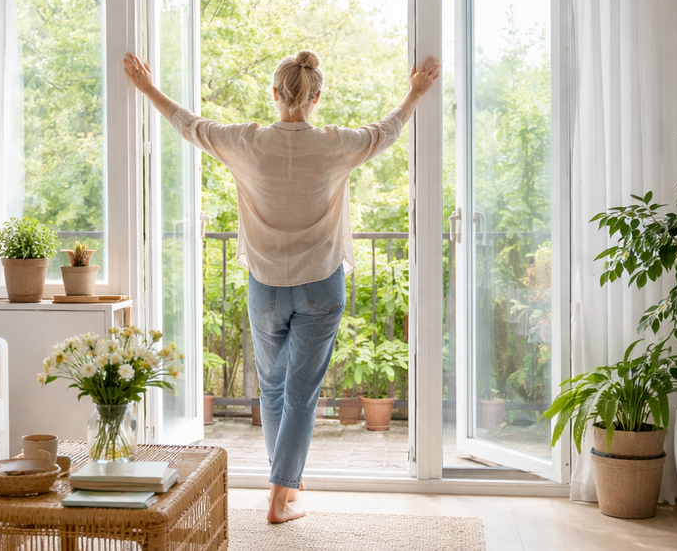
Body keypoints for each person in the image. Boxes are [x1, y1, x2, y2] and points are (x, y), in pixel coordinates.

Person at [123, 49, 440, 524]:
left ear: (274, 94)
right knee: (301, 395)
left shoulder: (245, 142)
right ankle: (280, 493)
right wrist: (415, 93)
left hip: (265, 287)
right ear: (317, 97)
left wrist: (147, 88)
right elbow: (387, 130)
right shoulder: (336, 143)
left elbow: (187, 123)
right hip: (320, 286)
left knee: (271, 390)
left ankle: (284, 484)